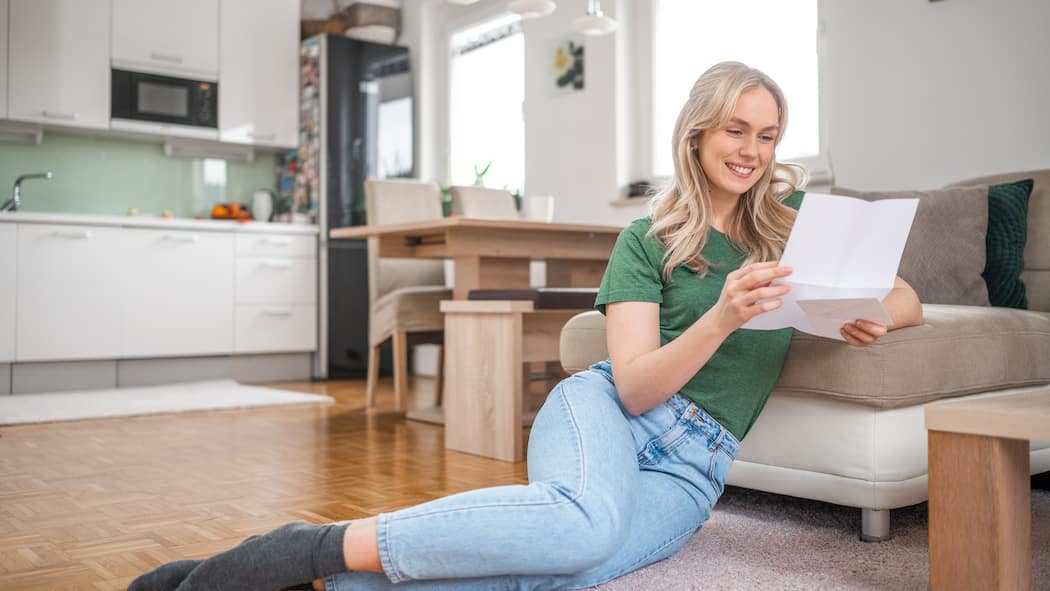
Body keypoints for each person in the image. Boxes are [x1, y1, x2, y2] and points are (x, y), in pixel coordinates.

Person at [131, 61, 923, 591]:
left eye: (768, 134)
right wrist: (722, 317)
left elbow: (906, 295)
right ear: (698, 134)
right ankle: (302, 546)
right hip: (608, 411)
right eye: (735, 130)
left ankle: (320, 580)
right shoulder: (645, 240)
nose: (752, 151)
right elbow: (636, 386)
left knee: (574, 567)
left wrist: (862, 314)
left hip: (696, 467)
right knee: (583, 525)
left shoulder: (792, 226)